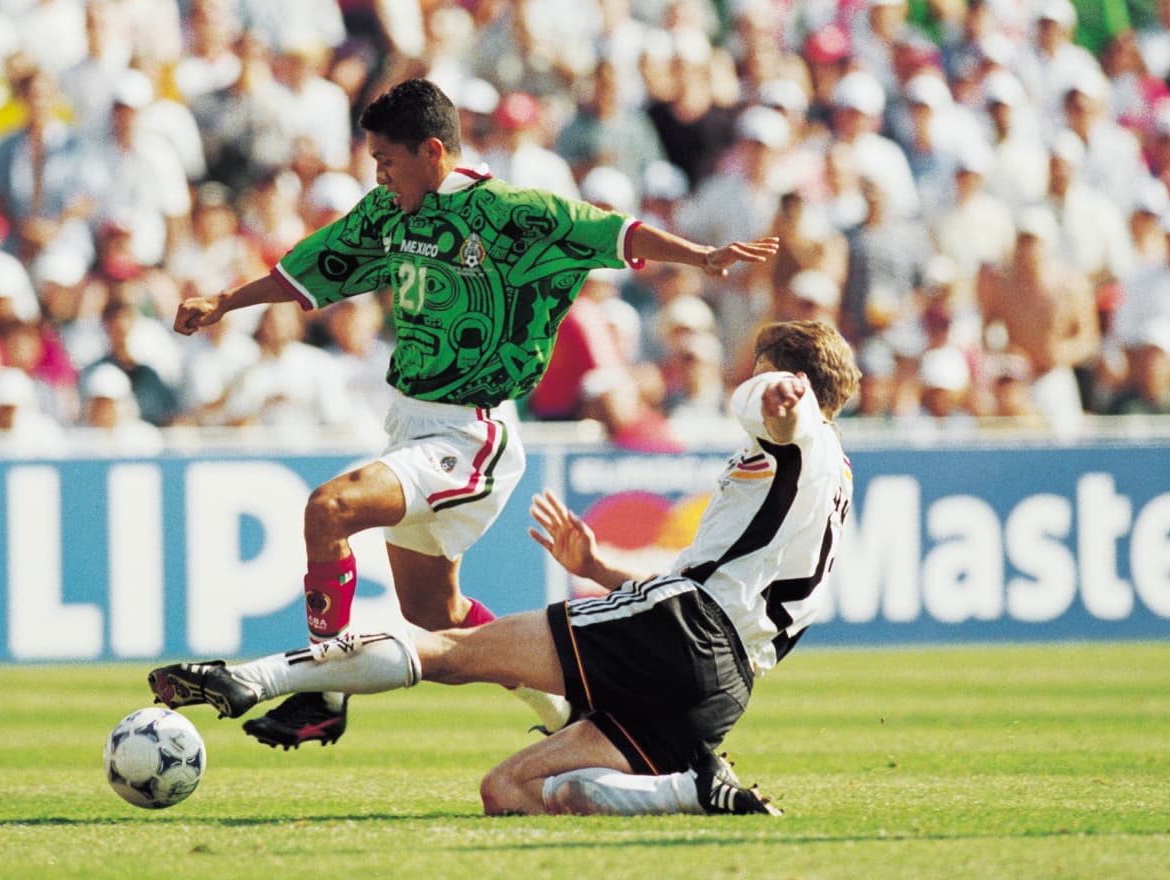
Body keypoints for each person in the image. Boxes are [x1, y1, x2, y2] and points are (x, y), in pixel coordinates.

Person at [169, 77, 782, 751]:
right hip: (412, 423)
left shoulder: (513, 213)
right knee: (439, 615)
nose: (378, 174)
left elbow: (614, 233)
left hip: (471, 431)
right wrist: (226, 301)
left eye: (386, 161)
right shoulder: (387, 213)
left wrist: (700, 256)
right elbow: (316, 266)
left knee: (329, 508)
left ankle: (322, 690)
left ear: (432, 151)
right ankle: (570, 713)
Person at [149, 319, 860, 817]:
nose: (753, 380)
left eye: (761, 370)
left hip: (679, 633)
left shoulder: (797, 432)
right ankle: (687, 791)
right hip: (723, 685)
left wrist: (778, 394)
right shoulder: (828, 478)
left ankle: (253, 679)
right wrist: (601, 569)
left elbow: (777, 409)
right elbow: (723, 581)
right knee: (506, 793)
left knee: (454, 653)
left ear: (792, 374)